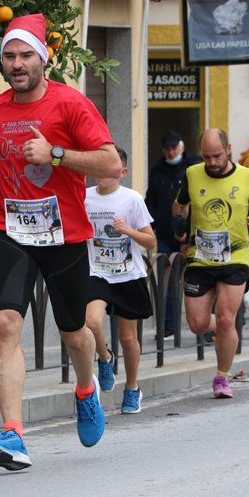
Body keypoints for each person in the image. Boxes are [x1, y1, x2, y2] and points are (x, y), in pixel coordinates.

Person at [0, 13, 122, 471]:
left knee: (74, 331)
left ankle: (84, 389)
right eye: (9, 56)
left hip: (66, 235)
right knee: (4, 324)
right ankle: (13, 433)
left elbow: (111, 164)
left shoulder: (71, 105)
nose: (16, 64)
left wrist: (56, 154)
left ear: (44, 58)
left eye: (25, 55)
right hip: (13, 230)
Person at [172, 129, 249, 398]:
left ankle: (222, 377)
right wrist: (180, 224)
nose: (212, 162)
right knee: (196, 324)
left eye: (217, 155)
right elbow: (179, 206)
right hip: (200, 258)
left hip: (236, 256)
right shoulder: (192, 174)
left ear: (228, 149)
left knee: (226, 316)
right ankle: (226, 331)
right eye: (206, 157)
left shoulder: (247, 177)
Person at [84, 147, 156, 414]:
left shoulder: (132, 199)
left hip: (128, 273)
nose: (102, 173)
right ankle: (105, 357)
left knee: (128, 337)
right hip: (98, 270)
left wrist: (128, 230)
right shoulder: (85, 197)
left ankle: (132, 388)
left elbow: (151, 241)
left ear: (122, 172)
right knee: (91, 321)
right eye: (98, 167)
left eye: (109, 168)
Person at [145, 131, 201, 338]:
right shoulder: (158, 170)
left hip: (192, 233)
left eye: (174, 147)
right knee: (167, 279)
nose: (171, 152)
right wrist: (148, 222)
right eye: (167, 148)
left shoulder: (194, 167)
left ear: (182, 146)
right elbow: (151, 199)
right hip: (166, 233)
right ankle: (168, 325)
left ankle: (203, 326)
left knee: (197, 280)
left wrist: (187, 230)